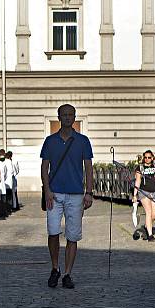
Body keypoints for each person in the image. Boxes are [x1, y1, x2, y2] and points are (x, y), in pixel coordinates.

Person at [40, 104, 94, 290]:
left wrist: (89, 192)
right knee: (53, 232)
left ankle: (68, 273)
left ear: (75, 117)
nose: (68, 118)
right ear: (59, 117)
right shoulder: (50, 141)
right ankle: (55, 268)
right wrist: (46, 189)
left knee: (73, 235)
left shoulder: (83, 141)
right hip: (54, 194)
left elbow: (88, 168)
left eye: (71, 115)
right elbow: (44, 168)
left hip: (76, 194)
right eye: (65, 115)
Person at [133, 150, 155, 242]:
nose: (147, 159)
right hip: (144, 192)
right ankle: (150, 235)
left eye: (149, 157)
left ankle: (146, 226)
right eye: (145, 157)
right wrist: (135, 195)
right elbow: (138, 181)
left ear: (152, 158)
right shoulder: (140, 168)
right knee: (148, 212)